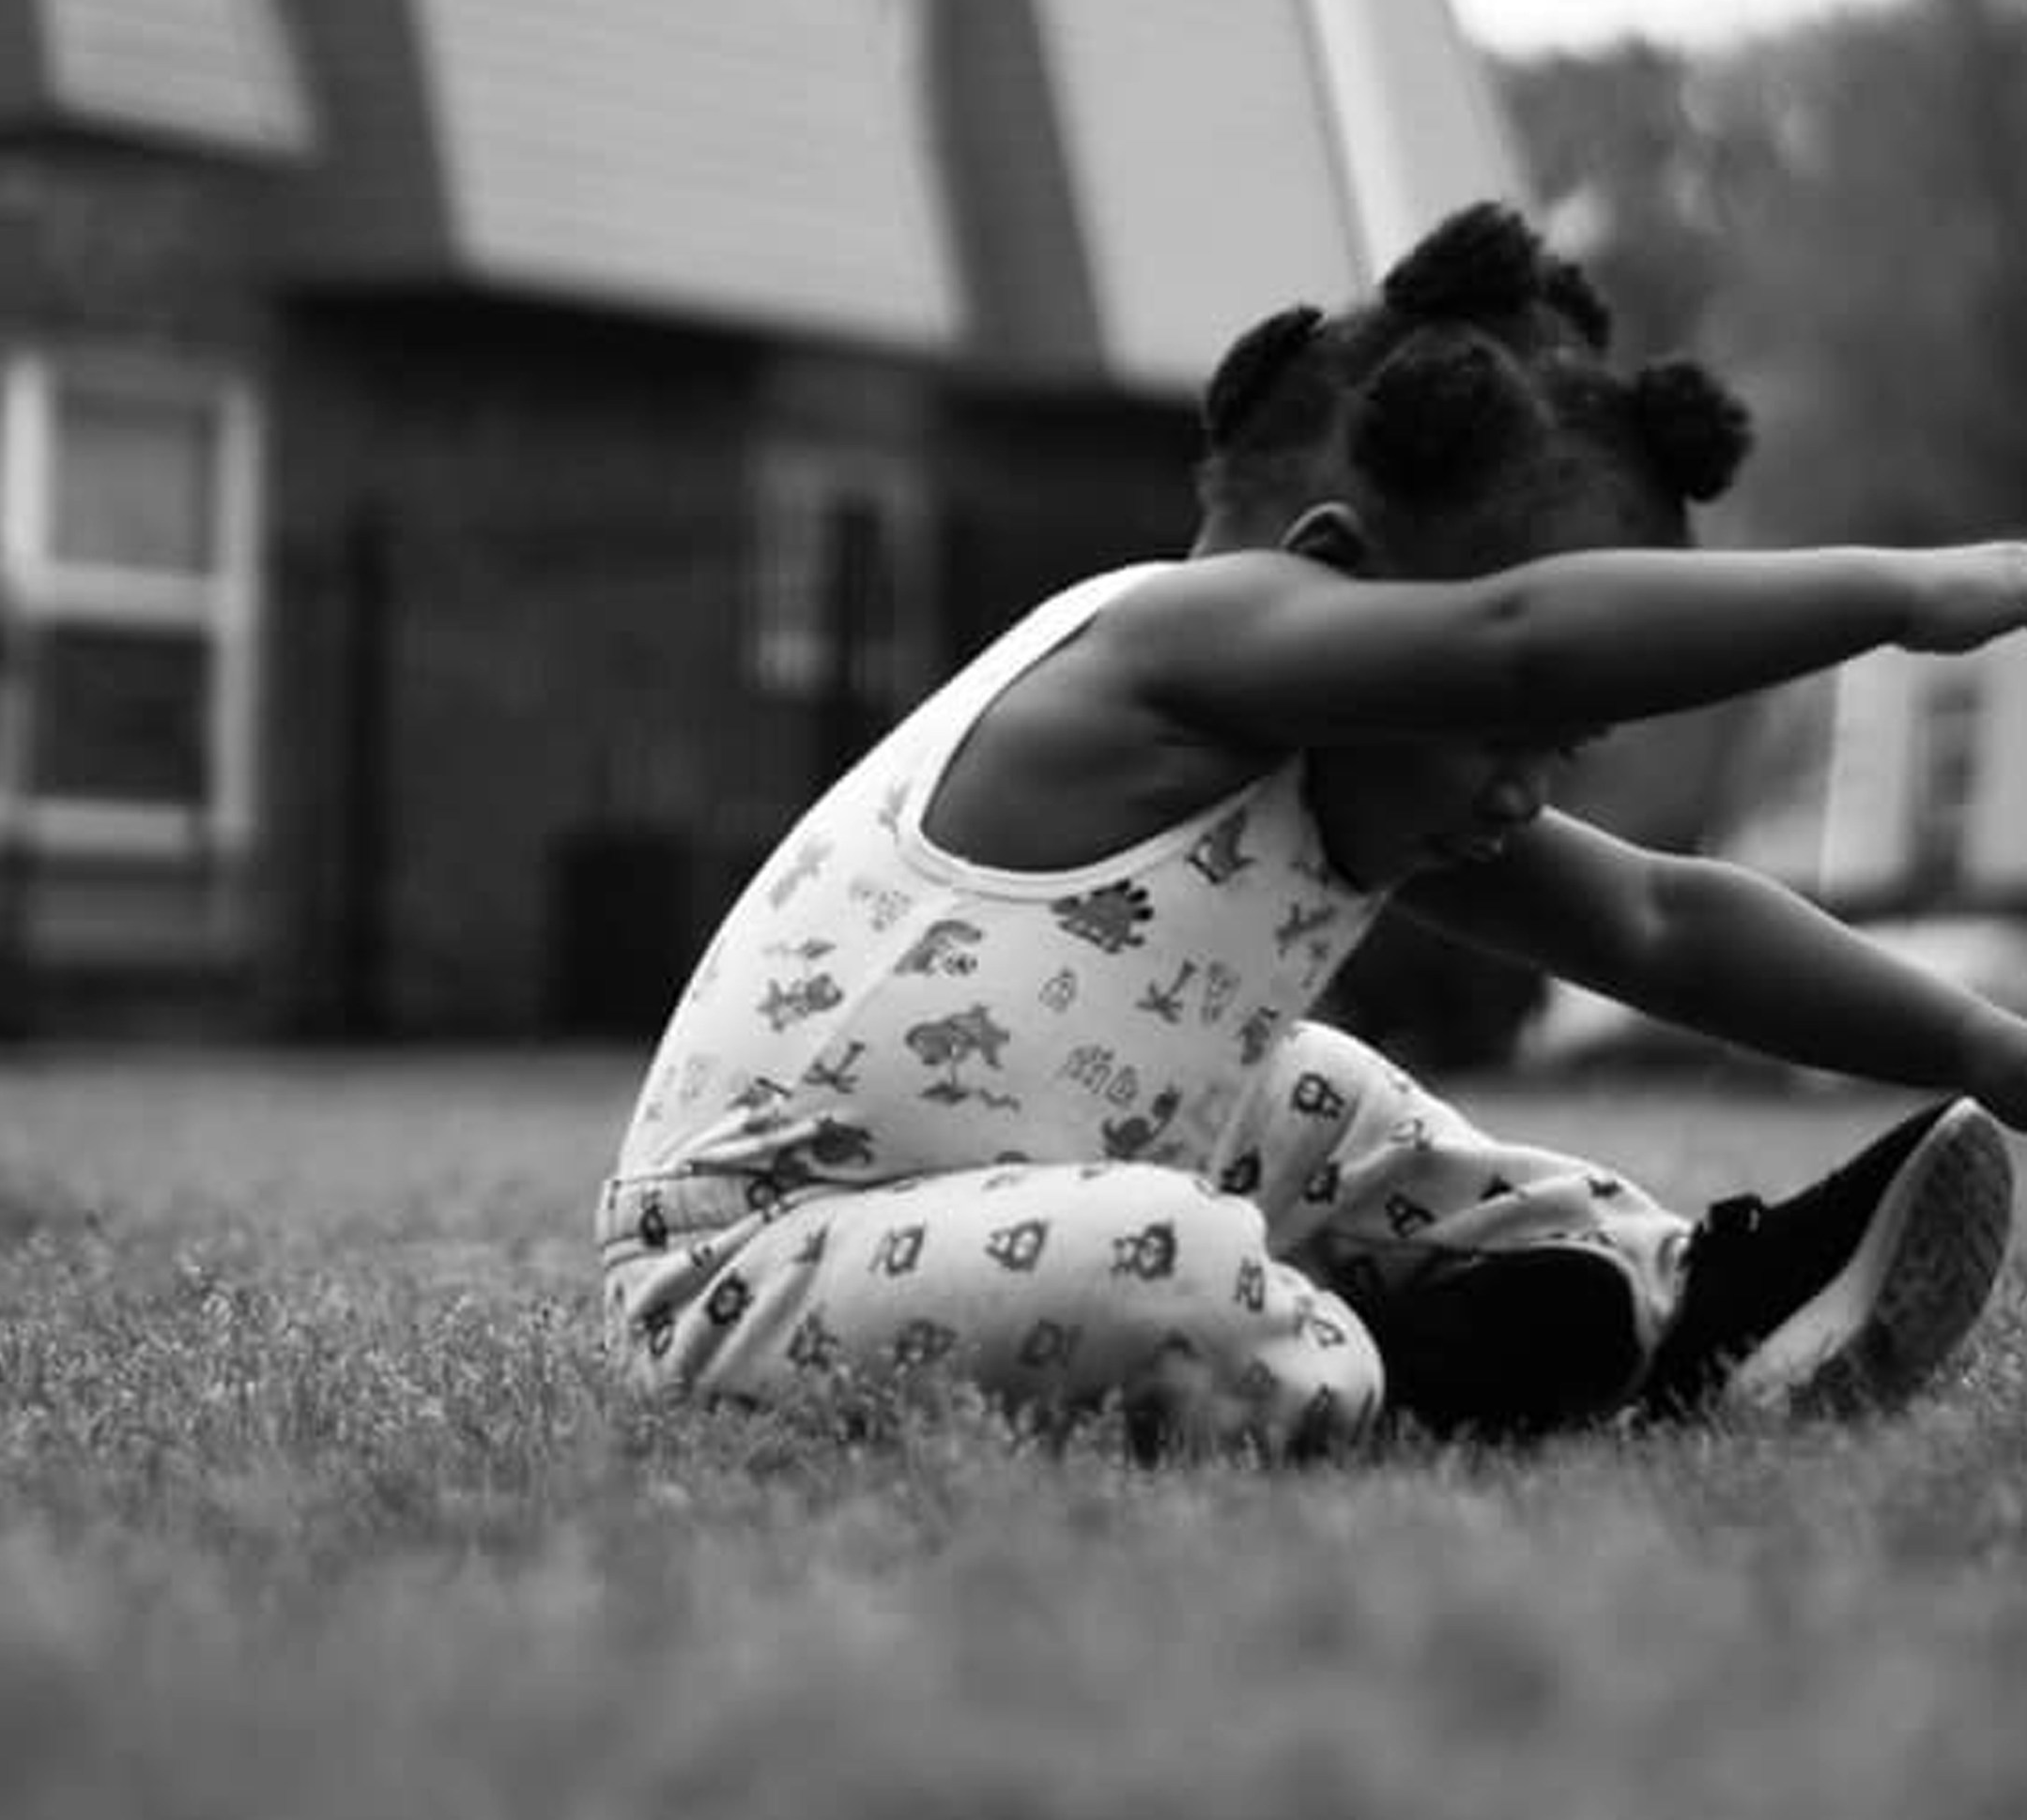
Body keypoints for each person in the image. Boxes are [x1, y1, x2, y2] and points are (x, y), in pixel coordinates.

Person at [595, 203, 2024, 1458]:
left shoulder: (1377, 773)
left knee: (1330, 1098)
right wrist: (1899, 596)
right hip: (758, 1271)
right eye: (1497, 724)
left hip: (1014, 1213)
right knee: (1159, 1264)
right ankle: (1436, 1373)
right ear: (1335, 584)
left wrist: (1983, 1046)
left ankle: (1688, 1306)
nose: (1526, 788)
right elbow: (1526, 642)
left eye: (1560, 749)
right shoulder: (1166, 651)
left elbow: (1661, 921)